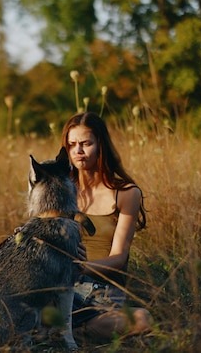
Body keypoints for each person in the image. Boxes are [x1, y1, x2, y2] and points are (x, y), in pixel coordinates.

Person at [61, 112, 152, 340]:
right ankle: (62, 327)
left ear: (101, 144)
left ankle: (69, 331)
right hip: (63, 282)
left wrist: (81, 267)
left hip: (101, 288)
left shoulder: (126, 192)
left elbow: (118, 258)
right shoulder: (62, 190)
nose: (78, 151)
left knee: (142, 319)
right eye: (72, 145)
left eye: (86, 144)